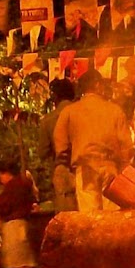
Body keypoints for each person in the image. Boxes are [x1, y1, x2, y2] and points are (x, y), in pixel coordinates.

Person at [53, 70, 133, 214]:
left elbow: (60, 143)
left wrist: (66, 166)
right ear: (97, 85)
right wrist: (123, 167)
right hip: (111, 168)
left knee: (90, 216)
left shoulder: (69, 111)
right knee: (113, 216)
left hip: (85, 169)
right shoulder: (115, 110)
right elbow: (126, 145)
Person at [0, 158, 39, 268]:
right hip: (22, 223)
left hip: (14, 224)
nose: (0, 178)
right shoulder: (24, 185)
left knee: (19, 259)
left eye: (1, 174)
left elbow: (5, 207)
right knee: (21, 258)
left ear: (7, 173)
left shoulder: (12, 187)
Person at [38, 79, 78, 211]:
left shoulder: (48, 120)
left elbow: (42, 152)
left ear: (55, 97)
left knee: (66, 217)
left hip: (63, 170)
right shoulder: (85, 113)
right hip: (86, 169)